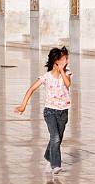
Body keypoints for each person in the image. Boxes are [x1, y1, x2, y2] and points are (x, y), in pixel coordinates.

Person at [15, 47, 71, 175]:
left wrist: (62, 71)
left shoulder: (67, 73)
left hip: (63, 111)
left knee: (57, 138)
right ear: (56, 61)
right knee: (55, 138)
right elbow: (31, 89)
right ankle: (55, 165)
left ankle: (48, 156)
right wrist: (23, 106)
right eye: (64, 59)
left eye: (66, 58)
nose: (67, 61)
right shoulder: (46, 77)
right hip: (50, 112)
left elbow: (68, 84)